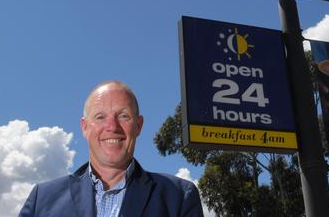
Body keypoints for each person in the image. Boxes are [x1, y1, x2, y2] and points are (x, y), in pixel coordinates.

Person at [18, 81, 204, 217]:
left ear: (138, 125)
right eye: (100, 117)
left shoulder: (179, 197)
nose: (112, 126)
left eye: (123, 116)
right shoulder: (41, 200)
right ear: (84, 127)